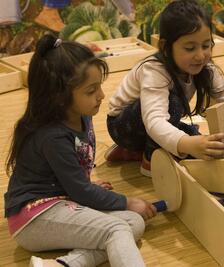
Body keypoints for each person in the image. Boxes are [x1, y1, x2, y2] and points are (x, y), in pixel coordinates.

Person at [4, 34, 157, 267]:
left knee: (133, 223)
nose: (101, 96)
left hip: (61, 202)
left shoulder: (82, 115)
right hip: (33, 218)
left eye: (99, 87)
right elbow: (80, 191)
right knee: (116, 228)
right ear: (59, 97)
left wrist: (90, 190)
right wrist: (126, 201)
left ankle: (63, 265)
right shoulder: (52, 136)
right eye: (90, 91)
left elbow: (74, 182)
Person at [105, 0, 224, 177]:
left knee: (197, 137)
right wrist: (188, 144)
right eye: (190, 48)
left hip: (147, 123)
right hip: (122, 126)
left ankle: (131, 151)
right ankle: (149, 160)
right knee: (174, 107)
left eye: (206, 46)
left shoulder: (205, 68)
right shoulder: (154, 70)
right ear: (165, 48)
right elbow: (155, 121)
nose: (200, 55)